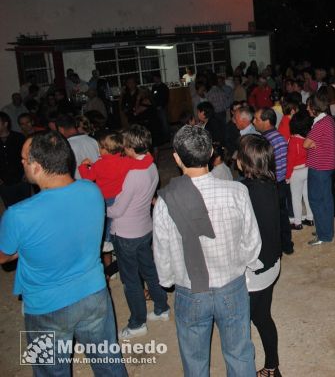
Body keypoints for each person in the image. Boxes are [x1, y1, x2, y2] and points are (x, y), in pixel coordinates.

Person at [0, 131, 127, 375]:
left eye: (24, 159)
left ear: (37, 167)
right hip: (94, 294)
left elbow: (4, 255)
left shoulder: (18, 215)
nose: (22, 163)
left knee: (51, 372)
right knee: (109, 364)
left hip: (46, 306)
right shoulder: (92, 191)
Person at [153, 125, 261, 376]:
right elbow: (252, 243)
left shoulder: (166, 202)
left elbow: (162, 251)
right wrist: (238, 263)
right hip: (231, 286)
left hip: (190, 291)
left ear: (176, 158)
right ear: (212, 152)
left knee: (194, 360)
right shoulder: (237, 191)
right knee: (239, 353)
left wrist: (167, 280)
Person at [107, 125, 169, 338]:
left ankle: (137, 323)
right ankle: (162, 308)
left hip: (126, 233)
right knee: (149, 271)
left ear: (131, 147)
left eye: (125, 144)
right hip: (144, 227)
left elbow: (117, 210)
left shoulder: (134, 174)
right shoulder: (150, 164)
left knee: (131, 280)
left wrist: (100, 206)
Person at [237, 135, 284, 377]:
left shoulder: (242, 191)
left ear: (242, 162)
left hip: (254, 269)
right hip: (272, 262)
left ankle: (257, 369)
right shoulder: (273, 183)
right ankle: (272, 367)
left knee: (244, 322)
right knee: (262, 316)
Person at [254, 108, 295, 254]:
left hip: (270, 185)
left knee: (270, 218)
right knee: (282, 215)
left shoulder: (265, 142)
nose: (254, 122)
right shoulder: (279, 136)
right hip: (281, 182)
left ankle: (275, 249)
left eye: (257, 119)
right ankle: (287, 245)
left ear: (266, 121)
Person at [304, 90, 335, 245]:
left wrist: (312, 143)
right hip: (327, 165)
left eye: (308, 106)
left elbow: (306, 143)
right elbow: (311, 142)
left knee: (317, 200)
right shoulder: (328, 119)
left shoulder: (320, 123)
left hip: (319, 167)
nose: (306, 109)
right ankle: (325, 230)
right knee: (326, 200)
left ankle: (324, 235)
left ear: (314, 107)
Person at [287, 111, 314, 229]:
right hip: (307, 168)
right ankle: (310, 218)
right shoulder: (308, 138)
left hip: (296, 172)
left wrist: (287, 176)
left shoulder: (292, 141)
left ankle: (297, 222)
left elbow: (290, 161)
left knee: (296, 197)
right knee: (307, 195)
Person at [0, 112, 32, 207]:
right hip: (4, 183)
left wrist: (27, 173)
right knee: (11, 208)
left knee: (27, 206)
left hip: (21, 180)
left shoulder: (19, 137)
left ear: (5, 124)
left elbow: (28, 156)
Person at [56, 113, 100, 179]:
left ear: (60, 129)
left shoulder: (66, 146)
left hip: (78, 185)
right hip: (96, 184)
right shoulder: (92, 140)